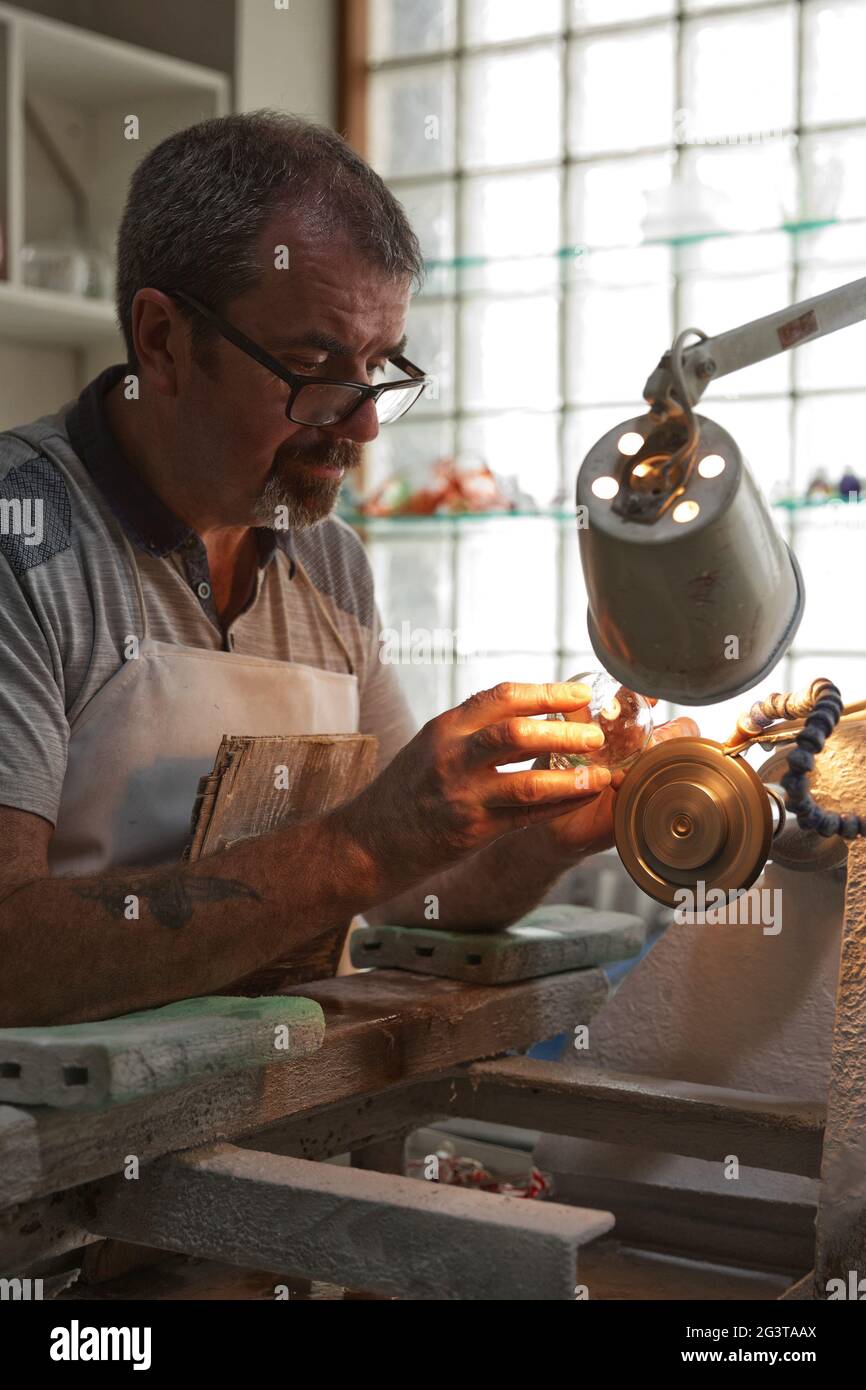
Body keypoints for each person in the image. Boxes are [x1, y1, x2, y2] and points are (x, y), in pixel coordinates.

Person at [0, 112, 694, 1026]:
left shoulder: (327, 561)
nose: (363, 423)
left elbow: (417, 893)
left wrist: (543, 830)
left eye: (380, 366)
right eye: (314, 367)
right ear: (163, 341)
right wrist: (364, 846)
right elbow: (13, 956)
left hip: (271, 1108)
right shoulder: (26, 540)